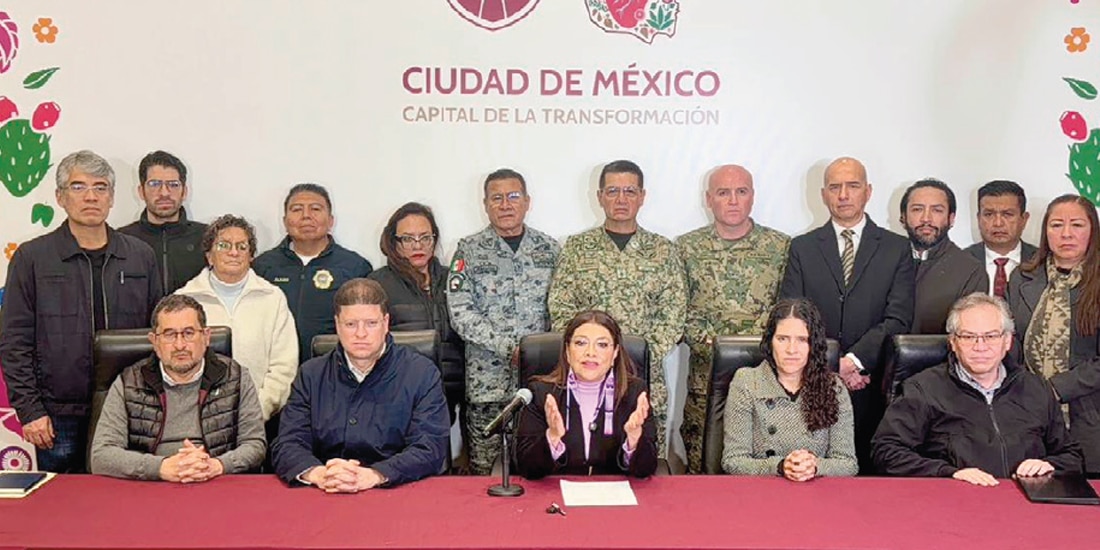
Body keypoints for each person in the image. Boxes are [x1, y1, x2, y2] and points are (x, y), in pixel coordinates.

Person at [0, 150, 162, 473]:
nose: (91, 196)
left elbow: (157, 333)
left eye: (101, 187)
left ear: (112, 198)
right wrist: (30, 410)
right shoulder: (32, 258)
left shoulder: (139, 256)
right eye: (78, 187)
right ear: (60, 197)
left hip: (129, 408)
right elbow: (13, 341)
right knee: (63, 509)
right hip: (58, 413)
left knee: (126, 507)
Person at [779, 156, 914, 473]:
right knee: (813, 472)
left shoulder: (896, 248)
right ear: (824, 194)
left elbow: (898, 318)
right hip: (812, 383)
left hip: (871, 383)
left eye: (852, 186)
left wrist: (851, 362)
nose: (843, 195)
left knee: (868, 476)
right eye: (835, 187)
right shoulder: (803, 247)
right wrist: (827, 364)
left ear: (867, 191)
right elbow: (791, 314)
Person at [548, 160, 686, 460]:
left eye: (629, 191)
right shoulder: (577, 248)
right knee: (584, 462)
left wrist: (630, 357)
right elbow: (561, 309)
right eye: (612, 191)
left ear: (642, 196)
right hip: (586, 380)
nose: (621, 199)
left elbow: (674, 314)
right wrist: (593, 352)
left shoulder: (663, 251)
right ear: (599, 196)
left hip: (644, 377)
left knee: (644, 466)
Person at [873, 293, 1082, 485]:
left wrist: (1050, 466)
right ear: (953, 342)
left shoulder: (1037, 388)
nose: (980, 346)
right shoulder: (922, 389)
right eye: (968, 337)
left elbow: (1071, 456)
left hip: (1025, 504)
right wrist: (948, 473)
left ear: (1007, 341)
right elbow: (886, 451)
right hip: (953, 503)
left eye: (991, 336)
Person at [271, 278, 450, 490]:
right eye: (350, 324)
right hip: (326, 491)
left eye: (371, 323)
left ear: (386, 323)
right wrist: (319, 474)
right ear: (337, 324)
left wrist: (376, 475)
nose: (361, 334)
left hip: (398, 492)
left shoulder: (422, 374)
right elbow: (287, 443)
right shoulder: (311, 375)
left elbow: (431, 446)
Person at [676, 164, 790, 474]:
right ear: (708, 198)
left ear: (752, 197)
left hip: (767, 381)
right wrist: (711, 345)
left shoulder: (781, 247)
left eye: (741, 192)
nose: (733, 200)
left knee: (764, 469)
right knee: (702, 470)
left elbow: (789, 311)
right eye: (723, 193)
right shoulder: (686, 248)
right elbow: (679, 311)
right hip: (707, 384)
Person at [446, 168, 560, 475]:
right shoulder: (468, 250)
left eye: (513, 196)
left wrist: (538, 352)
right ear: (485, 204)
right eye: (497, 198)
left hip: (541, 382)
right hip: (488, 385)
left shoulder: (549, 250)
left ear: (527, 201)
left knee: (540, 469)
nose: (506, 204)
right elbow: (460, 311)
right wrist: (508, 346)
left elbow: (561, 309)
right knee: (485, 473)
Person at [89, 294, 266, 481]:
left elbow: (255, 445)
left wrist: (216, 465)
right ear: (155, 342)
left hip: (215, 483)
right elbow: (101, 455)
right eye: (169, 334)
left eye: (189, 333)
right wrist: (161, 467)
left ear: (206, 337)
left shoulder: (237, 377)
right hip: (150, 487)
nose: (180, 345)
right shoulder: (129, 382)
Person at [1007, 194, 1100, 475]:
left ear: (1093, 231)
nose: (1066, 234)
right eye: (1057, 225)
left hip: (1088, 413)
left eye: (1077, 225)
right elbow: (1011, 342)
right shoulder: (1023, 277)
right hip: (1027, 412)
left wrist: (1055, 388)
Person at [176, 214, 298, 422]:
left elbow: (284, 366)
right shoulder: (183, 300)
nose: (234, 252)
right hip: (195, 420)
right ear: (209, 255)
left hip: (259, 419)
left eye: (242, 246)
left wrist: (257, 410)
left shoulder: (272, 298)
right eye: (224, 245)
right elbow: (174, 363)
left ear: (251, 256)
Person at [721, 298, 857, 479]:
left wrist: (814, 466)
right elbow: (733, 460)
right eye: (783, 339)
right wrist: (779, 466)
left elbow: (848, 463)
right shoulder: (746, 382)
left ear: (813, 345)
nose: (791, 349)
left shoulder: (834, 387)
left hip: (817, 493)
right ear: (770, 341)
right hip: (761, 492)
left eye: (802, 340)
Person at [514, 310, 657, 479]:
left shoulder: (634, 393)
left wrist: (634, 439)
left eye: (602, 345)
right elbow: (526, 469)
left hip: (615, 499)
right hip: (557, 496)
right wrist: (551, 437)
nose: (591, 352)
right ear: (567, 351)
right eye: (581, 343)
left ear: (615, 353)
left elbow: (647, 470)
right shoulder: (541, 393)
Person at [369, 203, 465, 429]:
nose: (418, 245)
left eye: (425, 237)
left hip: (452, 390)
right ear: (394, 242)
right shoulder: (378, 284)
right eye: (408, 239)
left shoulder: (453, 279)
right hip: (399, 395)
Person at [254, 183, 373, 362]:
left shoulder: (355, 267)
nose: (306, 216)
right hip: (275, 368)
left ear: (331, 220)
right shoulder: (263, 267)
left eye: (316, 209)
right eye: (297, 209)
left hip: (336, 368)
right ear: (285, 221)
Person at [899, 178, 987, 334]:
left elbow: (967, 336)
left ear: (951, 219)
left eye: (937, 210)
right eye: (917, 209)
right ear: (903, 217)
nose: (926, 218)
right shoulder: (885, 260)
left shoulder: (970, 270)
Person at [119, 150, 208, 294]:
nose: (164, 193)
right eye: (154, 184)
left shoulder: (207, 238)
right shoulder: (121, 241)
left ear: (184, 191)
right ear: (141, 191)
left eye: (173, 184)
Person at [964, 180, 1036, 298]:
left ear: (1024, 219)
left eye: (1007, 214)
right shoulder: (961, 262)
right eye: (989, 214)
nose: (998, 223)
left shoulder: (1042, 262)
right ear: (978, 218)